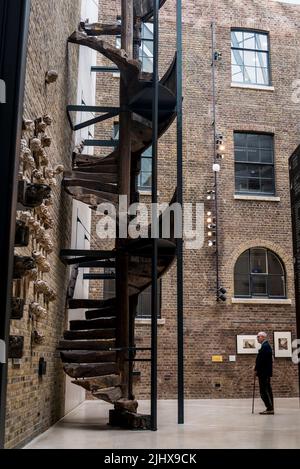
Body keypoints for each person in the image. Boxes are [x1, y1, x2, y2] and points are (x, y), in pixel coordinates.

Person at [255, 331, 274, 415]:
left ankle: (269, 408)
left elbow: (262, 361)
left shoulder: (265, 346)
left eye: (258, 337)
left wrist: (256, 369)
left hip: (263, 373)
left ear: (263, 337)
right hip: (264, 372)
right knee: (267, 390)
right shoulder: (265, 346)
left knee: (264, 391)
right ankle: (270, 408)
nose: (257, 338)